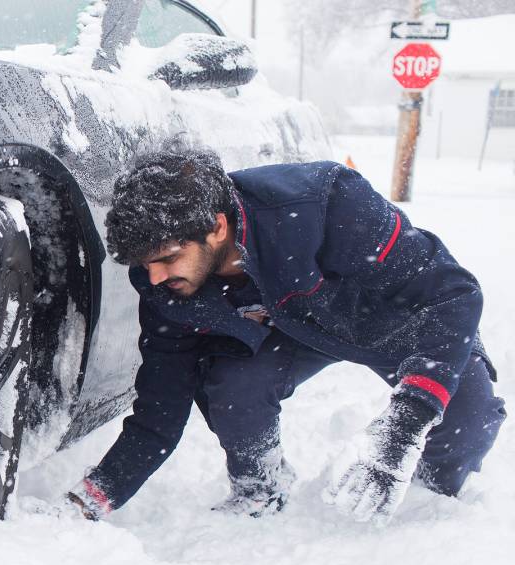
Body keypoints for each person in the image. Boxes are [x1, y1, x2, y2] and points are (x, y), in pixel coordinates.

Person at [65, 147, 505, 524]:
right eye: (145, 264)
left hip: (393, 322)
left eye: (167, 258)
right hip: (295, 331)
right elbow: (160, 407)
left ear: (217, 227)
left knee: (468, 420)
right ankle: (259, 490)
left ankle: (428, 500)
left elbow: (453, 294)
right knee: (234, 386)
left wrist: (406, 424)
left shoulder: (326, 205)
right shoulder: (167, 285)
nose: (155, 277)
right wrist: (97, 496)